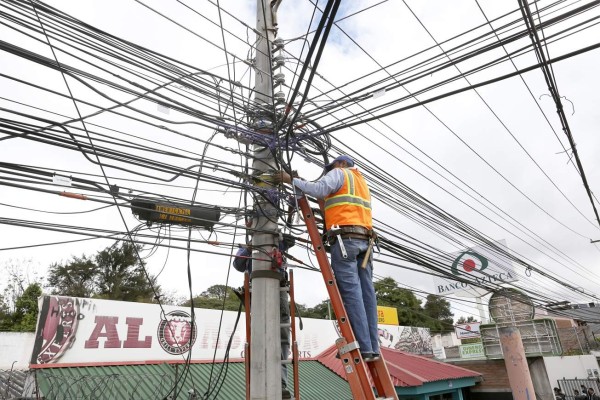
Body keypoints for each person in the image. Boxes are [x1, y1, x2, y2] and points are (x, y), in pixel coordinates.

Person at [281, 154, 380, 361]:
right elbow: (330, 199)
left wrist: (292, 180)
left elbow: (320, 190)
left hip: (345, 241)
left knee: (352, 295)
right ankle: (372, 348)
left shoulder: (340, 173)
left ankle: (363, 347)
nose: (329, 171)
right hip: (365, 242)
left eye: (332, 166)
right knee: (367, 295)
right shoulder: (361, 182)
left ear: (342, 164)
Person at [233, 236, 295, 399]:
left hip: (278, 288)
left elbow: (288, 242)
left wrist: (284, 238)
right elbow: (238, 264)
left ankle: (281, 382)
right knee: (260, 337)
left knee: (281, 337)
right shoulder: (246, 248)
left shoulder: (276, 241)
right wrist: (250, 246)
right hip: (257, 290)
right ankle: (259, 380)